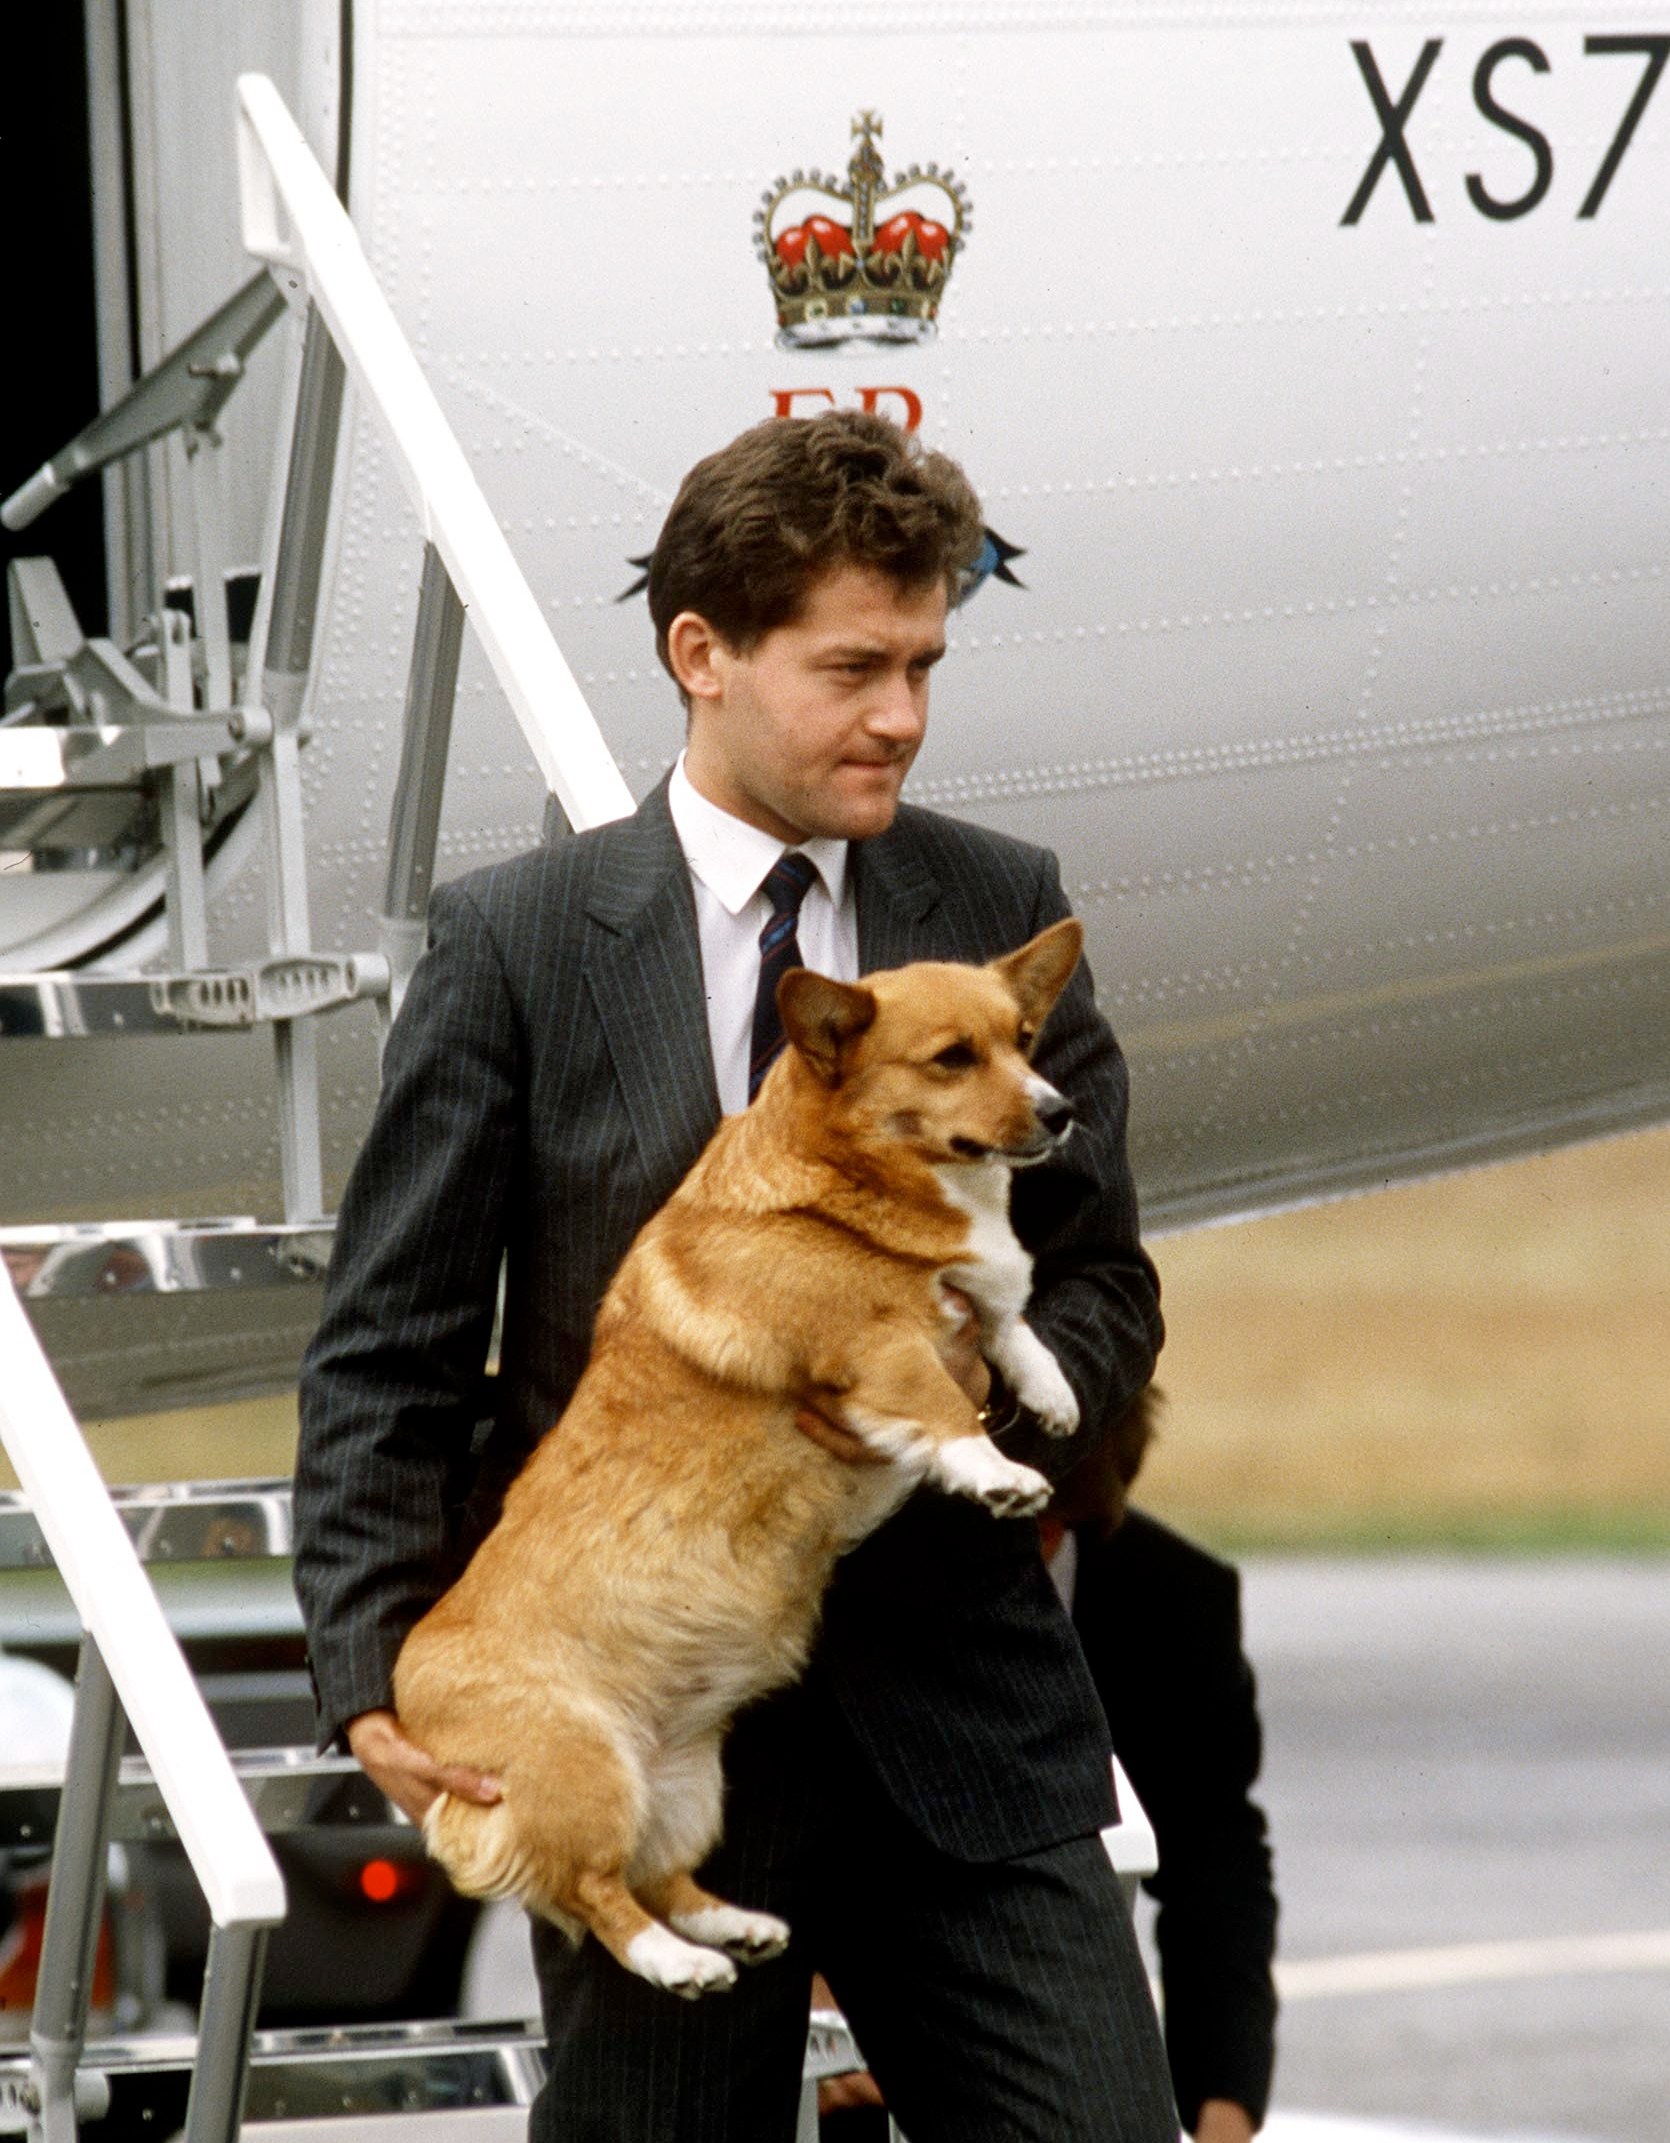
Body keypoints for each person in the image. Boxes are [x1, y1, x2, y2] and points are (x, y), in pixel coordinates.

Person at [293, 409, 1172, 2141]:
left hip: (969, 1746)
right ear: (700, 653)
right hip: (644, 1730)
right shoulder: (520, 942)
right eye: (853, 667)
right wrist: (375, 1673)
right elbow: (390, 1349)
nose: (901, 714)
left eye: (925, 663)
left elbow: (1104, 1289)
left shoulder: (1000, 903)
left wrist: (935, 1401)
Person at [818, 1389, 1279, 2143]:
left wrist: (1221, 2110)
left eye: (1038, 1529)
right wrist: (817, 2013)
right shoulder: (845, 1574)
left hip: (1038, 1973)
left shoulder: (1178, 1604)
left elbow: (1216, 1866)